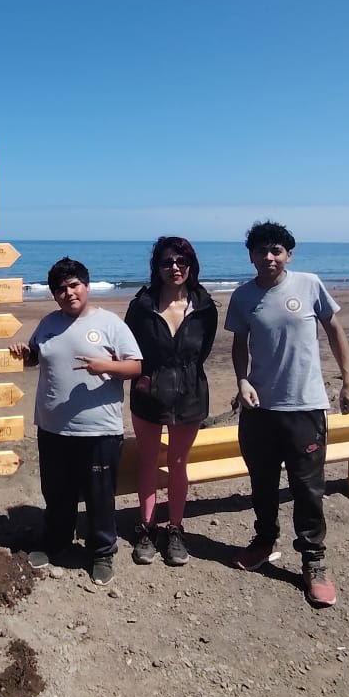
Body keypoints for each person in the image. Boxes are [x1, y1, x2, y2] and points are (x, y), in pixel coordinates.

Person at [225, 221, 349, 607]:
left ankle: (313, 561)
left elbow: (335, 330)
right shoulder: (242, 296)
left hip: (305, 406)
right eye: (260, 251)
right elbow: (239, 344)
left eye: (276, 250)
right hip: (260, 409)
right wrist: (242, 380)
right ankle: (264, 542)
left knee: (307, 488)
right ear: (250, 255)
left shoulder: (309, 284)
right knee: (262, 483)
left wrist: (348, 380)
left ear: (288, 254)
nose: (268, 257)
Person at [10, 257, 143, 587]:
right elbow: (36, 358)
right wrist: (23, 355)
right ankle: (55, 543)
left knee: (99, 496)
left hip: (99, 430)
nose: (68, 293)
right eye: (60, 289)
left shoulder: (110, 323)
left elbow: (136, 367)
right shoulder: (48, 323)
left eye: (74, 286)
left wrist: (106, 367)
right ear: (54, 295)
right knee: (57, 493)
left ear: (86, 286)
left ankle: (101, 551)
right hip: (53, 427)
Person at [124, 236, 218, 567]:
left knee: (179, 463)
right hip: (148, 394)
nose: (174, 267)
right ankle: (147, 529)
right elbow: (130, 349)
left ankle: (175, 529)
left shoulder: (205, 307)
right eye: (166, 262)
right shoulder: (141, 306)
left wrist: (183, 377)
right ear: (157, 268)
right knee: (149, 462)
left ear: (191, 265)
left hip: (191, 396)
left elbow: (201, 353)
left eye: (181, 261)